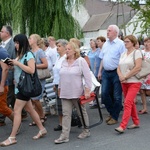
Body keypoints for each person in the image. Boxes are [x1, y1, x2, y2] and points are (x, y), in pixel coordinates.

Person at [0, 34, 47, 147]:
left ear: (22, 43)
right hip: (20, 87)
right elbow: (17, 68)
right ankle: (41, 129)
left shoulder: (28, 55)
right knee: (30, 109)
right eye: (15, 43)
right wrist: (12, 64)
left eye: (17, 43)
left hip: (24, 87)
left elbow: (31, 70)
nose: (15, 45)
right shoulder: (20, 55)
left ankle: (12, 137)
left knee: (17, 111)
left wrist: (17, 63)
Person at [54, 42, 92, 144]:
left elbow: (87, 77)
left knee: (81, 112)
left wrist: (87, 89)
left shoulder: (80, 61)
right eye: (66, 49)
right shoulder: (63, 61)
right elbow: (61, 76)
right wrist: (60, 88)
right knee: (66, 114)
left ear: (75, 51)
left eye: (69, 49)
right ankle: (64, 136)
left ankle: (86, 130)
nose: (66, 51)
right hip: (65, 92)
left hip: (77, 92)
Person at [98, 25, 126, 125]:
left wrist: (122, 73)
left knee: (117, 96)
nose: (107, 32)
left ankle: (114, 116)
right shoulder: (105, 44)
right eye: (107, 30)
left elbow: (123, 60)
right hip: (106, 72)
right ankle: (112, 112)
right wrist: (99, 71)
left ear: (115, 32)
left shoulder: (121, 44)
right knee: (105, 94)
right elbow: (102, 58)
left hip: (116, 72)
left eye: (109, 31)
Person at [115, 35, 142, 133]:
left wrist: (125, 76)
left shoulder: (137, 52)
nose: (125, 43)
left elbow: (138, 67)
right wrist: (120, 76)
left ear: (133, 43)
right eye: (124, 41)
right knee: (130, 103)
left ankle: (122, 126)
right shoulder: (123, 54)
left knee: (127, 102)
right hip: (124, 81)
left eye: (127, 41)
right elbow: (118, 66)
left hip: (134, 81)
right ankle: (136, 122)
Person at [28, 34, 48, 126]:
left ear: (35, 40)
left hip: (39, 78)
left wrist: (34, 66)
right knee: (33, 99)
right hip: (32, 78)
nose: (29, 39)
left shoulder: (40, 51)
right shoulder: (29, 52)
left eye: (30, 38)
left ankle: (42, 116)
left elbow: (45, 64)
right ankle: (38, 117)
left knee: (36, 98)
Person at [0, 25, 17, 126]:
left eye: (1, 31)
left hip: (7, 78)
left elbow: (11, 64)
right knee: (10, 99)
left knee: (5, 102)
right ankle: (21, 114)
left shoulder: (11, 45)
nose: (0, 33)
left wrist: (15, 76)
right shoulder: (2, 45)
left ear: (7, 33)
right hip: (4, 78)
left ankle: (15, 121)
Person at [53, 39, 68, 131]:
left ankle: (67, 123)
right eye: (57, 46)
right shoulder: (58, 57)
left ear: (64, 47)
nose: (57, 48)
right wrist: (55, 84)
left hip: (64, 85)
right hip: (57, 84)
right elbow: (56, 73)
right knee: (59, 105)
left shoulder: (66, 58)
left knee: (65, 105)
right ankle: (61, 123)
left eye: (59, 46)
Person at [0, 46, 14, 125]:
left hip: (1, 84)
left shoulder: (1, 52)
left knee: (2, 107)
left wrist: (2, 86)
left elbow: (6, 69)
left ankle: (16, 122)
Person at [139, 37, 150, 114]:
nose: (146, 44)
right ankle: (144, 108)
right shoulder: (141, 52)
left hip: (149, 74)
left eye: (148, 42)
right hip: (142, 74)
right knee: (142, 91)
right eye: (145, 42)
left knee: (148, 92)